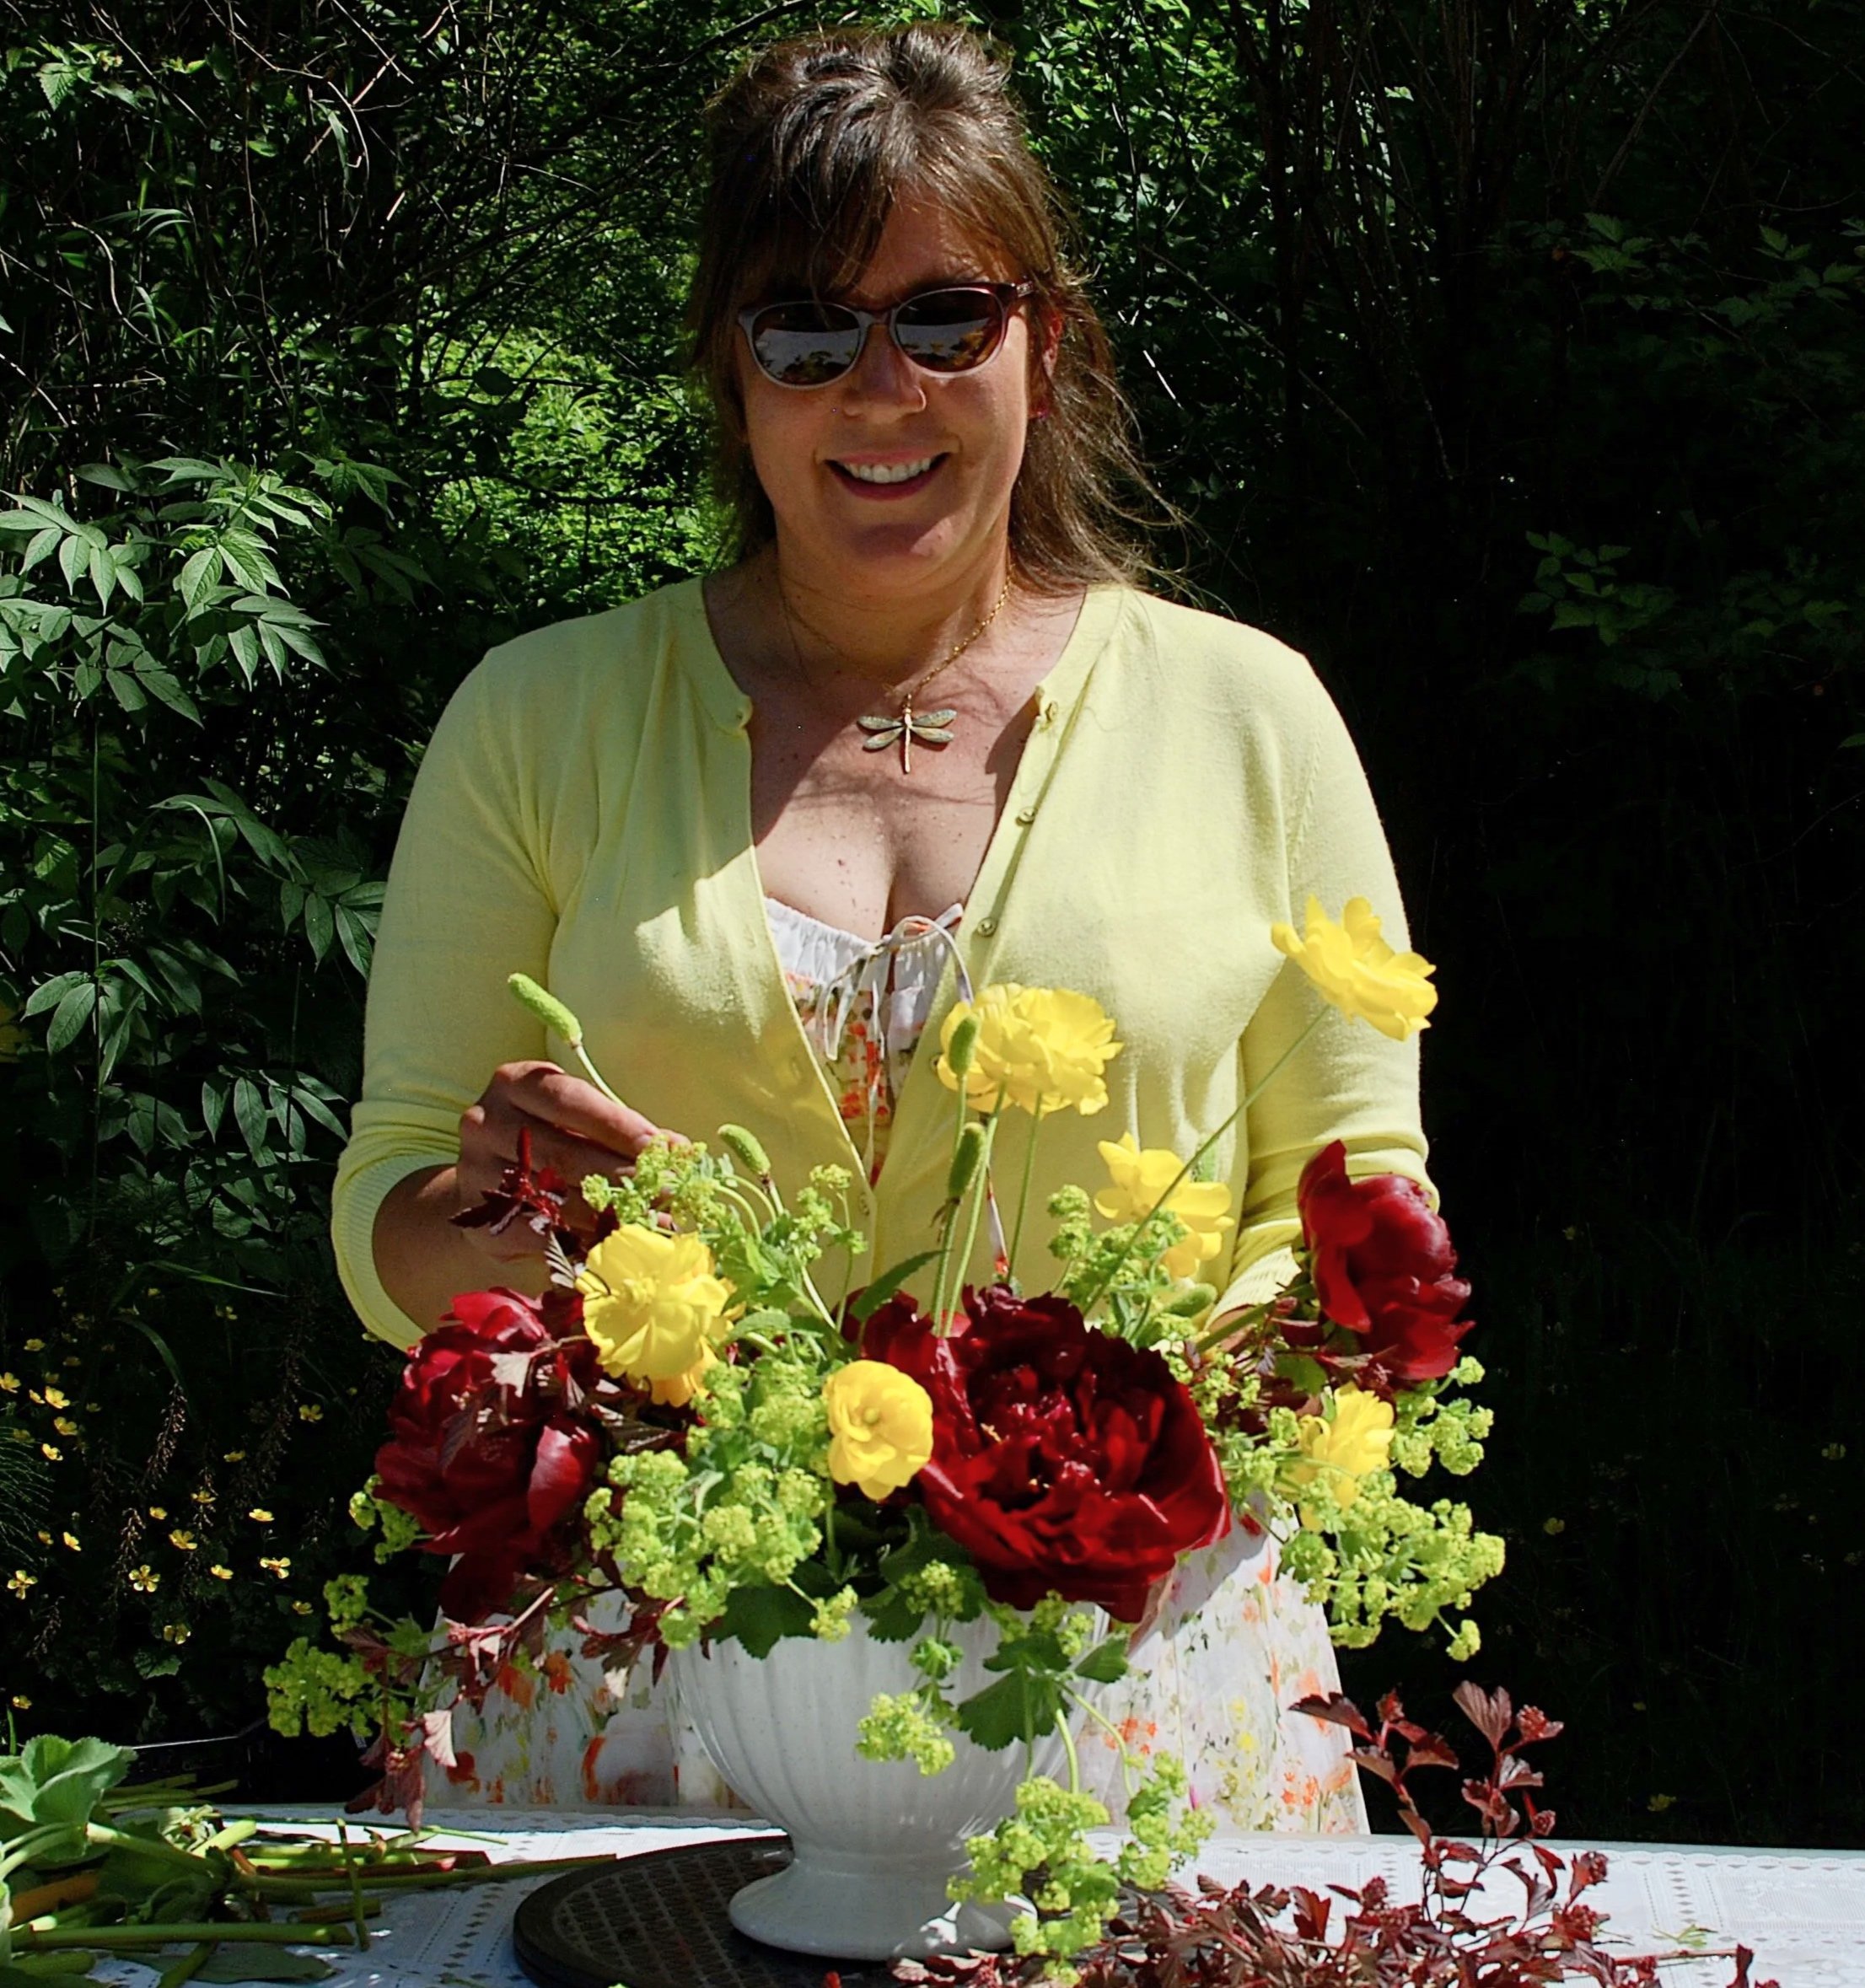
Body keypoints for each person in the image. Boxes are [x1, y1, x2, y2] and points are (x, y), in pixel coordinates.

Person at [332, 22, 1432, 1827]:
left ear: (1043, 343)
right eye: (803, 330)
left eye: (943, 319)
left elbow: (1362, 1210)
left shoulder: (1248, 719)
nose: (878, 388)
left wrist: (1079, 1466)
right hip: (648, 1663)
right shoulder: (534, 720)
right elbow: (389, 1224)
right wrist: (555, 1243)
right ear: (729, 368)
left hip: (1121, 1663)